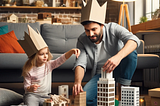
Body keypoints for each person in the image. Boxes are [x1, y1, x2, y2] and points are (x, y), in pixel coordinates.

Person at [72, 1, 140, 106]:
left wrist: (117, 57)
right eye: (87, 30)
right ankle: (115, 103)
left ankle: (123, 92)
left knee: (131, 54)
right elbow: (80, 62)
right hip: (101, 75)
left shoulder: (113, 28)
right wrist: (77, 82)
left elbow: (134, 40)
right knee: (85, 100)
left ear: (102, 25)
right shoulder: (82, 39)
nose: (90, 34)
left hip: (119, 68)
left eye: (94, 29)